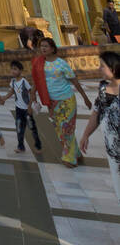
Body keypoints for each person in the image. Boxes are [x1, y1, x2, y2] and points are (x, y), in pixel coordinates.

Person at [34, 37, 92, 167]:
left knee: (67, 129)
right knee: (60, 130)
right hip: (52, 102)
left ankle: (69, 158)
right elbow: (36, 82)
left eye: (46, 46)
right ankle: (76, 153)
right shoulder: (39, 64)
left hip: (66, 100)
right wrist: (33, 97)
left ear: (53, 48)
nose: (43, 48)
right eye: (41, 46)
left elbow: (74, 80)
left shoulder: (61, 64)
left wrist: (85, 98)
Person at [80, 52, 120, 202]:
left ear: (114, 68)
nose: (99, 69)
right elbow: (96, 112)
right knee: (118, 181)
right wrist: (85, 135)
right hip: (113, 149)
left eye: (102, 66)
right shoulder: (103, 88)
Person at [0, 59, 42, 154]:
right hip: (18, 109)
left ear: (20, 70)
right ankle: (20, 146)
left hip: (26, 109)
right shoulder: (13, 82)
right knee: (19, 128)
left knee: (32, 127)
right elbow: (11, 92)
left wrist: (30, 106)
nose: (13, 71)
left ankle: (38, 145)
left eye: (15, 69)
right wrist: (4, 98)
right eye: (12, 69)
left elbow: (31, 92)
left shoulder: (24, 81)